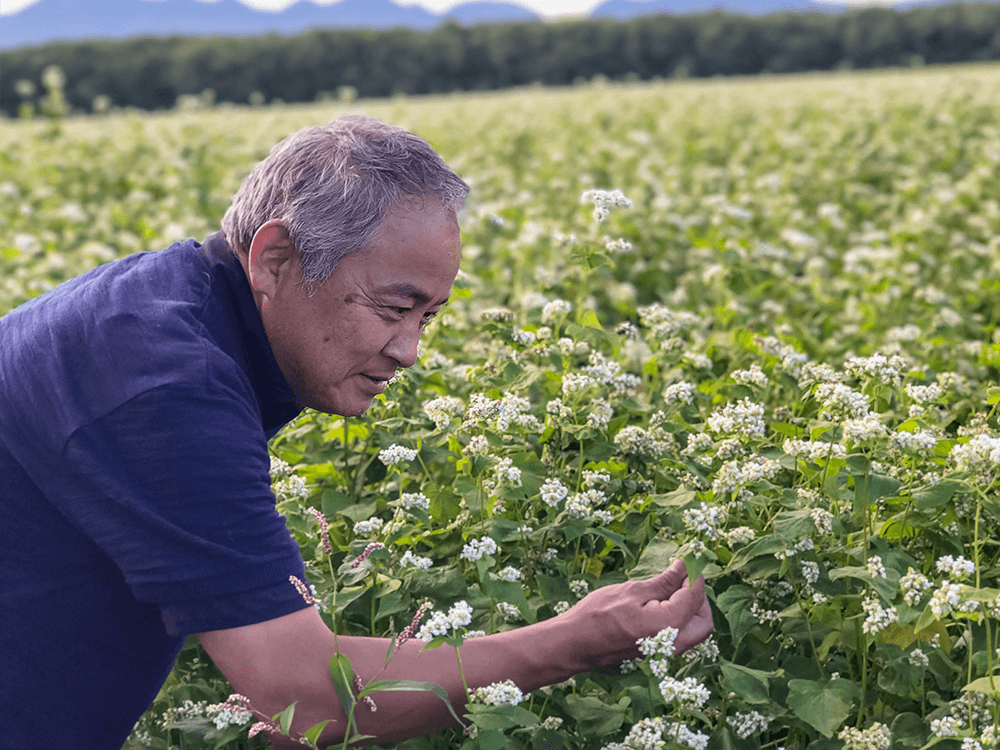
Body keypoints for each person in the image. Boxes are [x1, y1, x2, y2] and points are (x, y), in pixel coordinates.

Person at [0, 114, 713, 749]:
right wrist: (577, 642)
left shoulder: (165, 312)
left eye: (427, 316)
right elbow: (303, 695)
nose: (408, 351)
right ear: (275, 258)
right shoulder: (161, 383)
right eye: (393, 306)